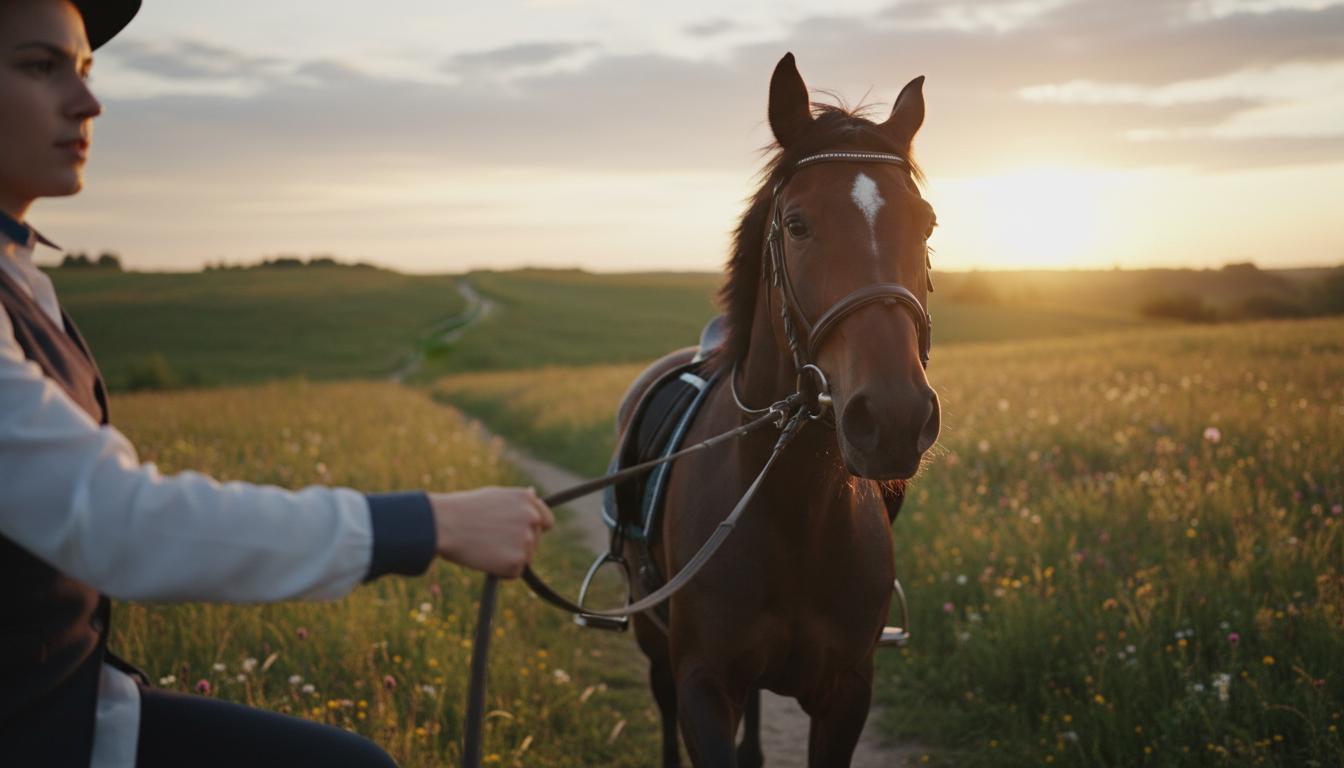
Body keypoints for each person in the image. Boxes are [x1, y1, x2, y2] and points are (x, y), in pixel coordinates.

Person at [0, 1, 556, 765]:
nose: (88, 102)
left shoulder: (25, 279)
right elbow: (118, 522)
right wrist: (431, 522)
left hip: (76, 715)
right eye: (40, 66)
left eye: (87, 69)